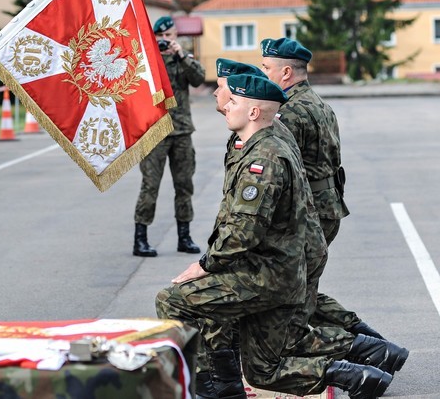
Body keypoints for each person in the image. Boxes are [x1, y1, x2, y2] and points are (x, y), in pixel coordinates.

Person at [156, 74, 394, 399]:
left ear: (254, 112)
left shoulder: (263, 160)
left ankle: (213, 388)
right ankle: (358, 376)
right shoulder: (264, 142)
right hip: (280, 271)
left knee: (174, 300)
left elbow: (243, 232)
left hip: (267, 276)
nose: (225, 105)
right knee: (264, 370)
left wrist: (206, 264)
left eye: (234, 101)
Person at [260, 38, 387, 340]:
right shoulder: (319, 104)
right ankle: (367, 341)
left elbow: (285, 171)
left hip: (308, 211)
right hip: (328, 205)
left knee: (295, 291)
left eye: (266, 67)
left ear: (286, 72)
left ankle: (358, 349)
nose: (262, 73)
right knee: (303, 287)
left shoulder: (289, 112)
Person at [132, 16, 205, 257]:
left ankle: (184, 237)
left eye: (169, 36)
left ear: (175, 36)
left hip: (182, 131)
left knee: (184, 185)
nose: (165, 41)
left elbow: (199, 79)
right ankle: (140, 238)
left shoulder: (182, 59)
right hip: (155, 132)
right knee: (150, 185)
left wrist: (181, 55)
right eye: (160, 37)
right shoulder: (145, 62)